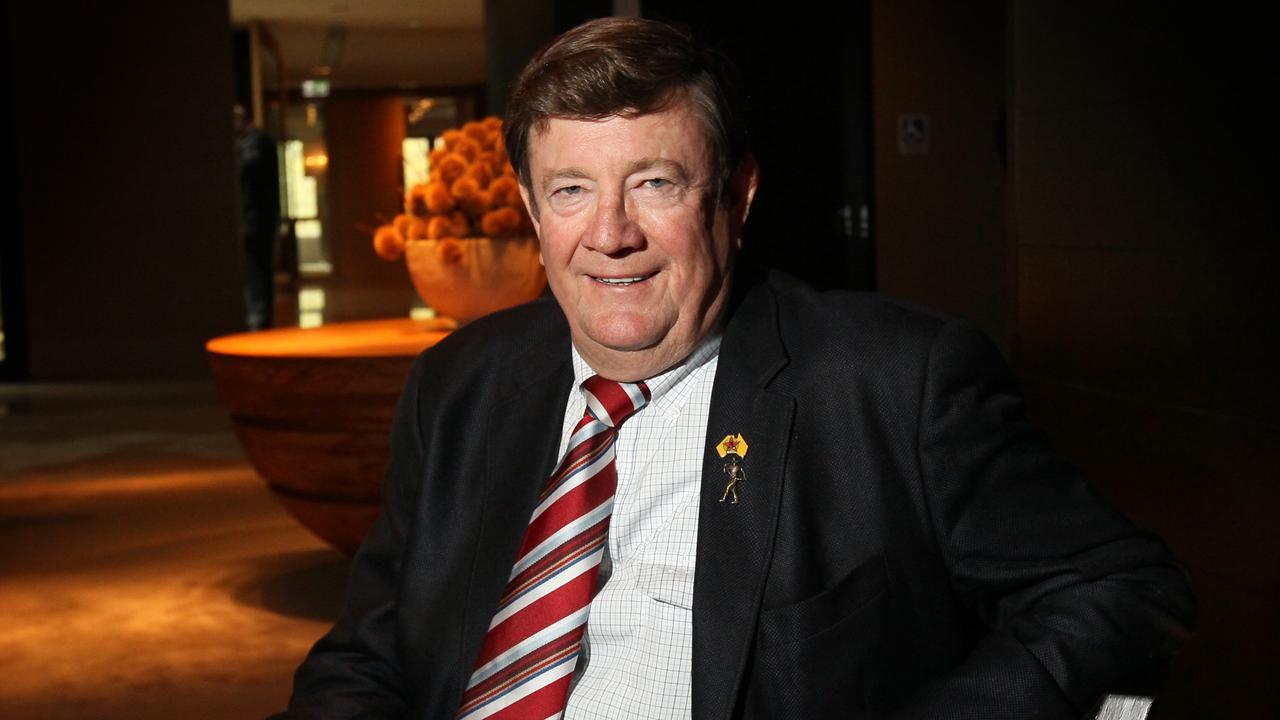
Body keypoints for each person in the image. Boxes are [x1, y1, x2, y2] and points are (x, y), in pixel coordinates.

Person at [280, 17, 1193, 720]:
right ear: (529, 205)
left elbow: (1122, 591)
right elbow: (370, 655)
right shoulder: (459, 385)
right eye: (571, 191)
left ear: (738, 194)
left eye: (655, 183)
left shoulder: (895, 383)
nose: (611, 235)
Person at [234, 103, 280, 331]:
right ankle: (259, 316)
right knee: (257, 271)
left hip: (256, 221)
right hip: (255, 220)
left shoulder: (256, 143)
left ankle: (260, 318)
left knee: (258, 271)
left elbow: (247, 170)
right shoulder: (255, 143)